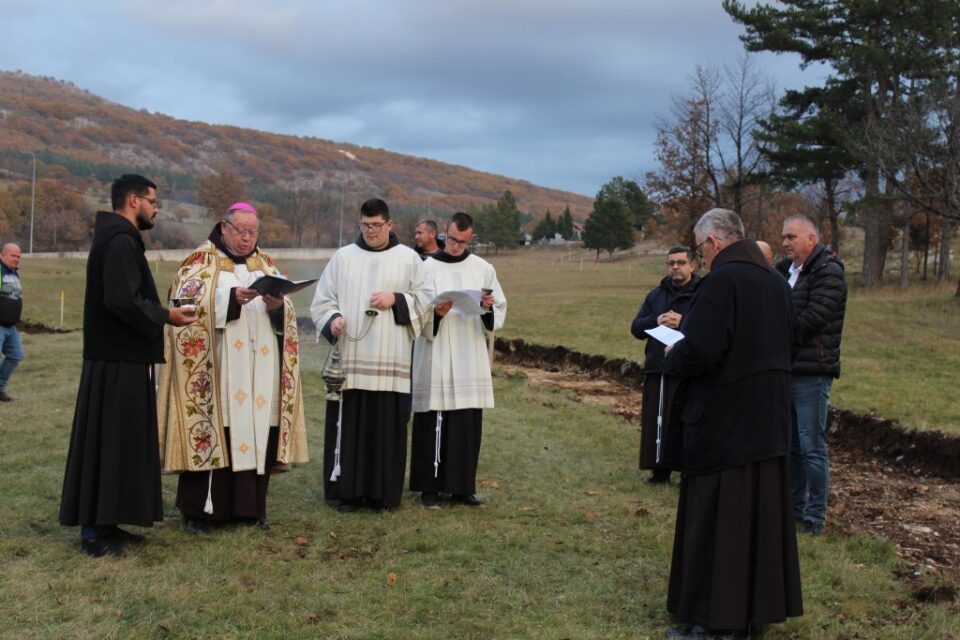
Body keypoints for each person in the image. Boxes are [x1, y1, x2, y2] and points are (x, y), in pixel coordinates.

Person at [662, 208, 802, 638]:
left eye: (701, 249)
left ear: (712, 243)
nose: (702, 259)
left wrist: (675, 354)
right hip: (769, 422)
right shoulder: (776, 283)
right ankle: (752, 616)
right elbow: (789, 342)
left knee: (720, 522)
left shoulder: (722, 281)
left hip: (725, 425)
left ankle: (713, 622)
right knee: (756, 521)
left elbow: (703, 349)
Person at [59, 174, 197, 557]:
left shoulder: (117, 238)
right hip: (116, 360)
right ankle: (94, 533)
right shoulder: (120, 241)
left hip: (119, 358)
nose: (156, 208)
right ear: (133, 200)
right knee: (109, 442)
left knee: (118, 443)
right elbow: (123, 301)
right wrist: (165, 315)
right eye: (153, 201)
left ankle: (108, 522)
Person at [157, 202, 308, 533]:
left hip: (259, 373)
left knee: (257, 435)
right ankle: (202, 513)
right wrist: (227, 302)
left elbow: (289, 319)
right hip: (218, 374)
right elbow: (183, 309)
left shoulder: (265, 265)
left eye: (253, 232)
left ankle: (251, 511)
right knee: (216, 432)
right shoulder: (199, 264)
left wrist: (279, 306)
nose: (247, 238)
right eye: (241, 231)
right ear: (223, 228)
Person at [311, 198, 434, 512]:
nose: (370, 231)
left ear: (389, 224)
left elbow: (426, 299)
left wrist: (396, 298)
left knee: (386, 430)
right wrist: (333, 319)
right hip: (351, 361)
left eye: (376, 225)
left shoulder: (408, 259)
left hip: (390, 361)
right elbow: (322, 301)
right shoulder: (343, 257)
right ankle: (349, 493)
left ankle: (383, 495)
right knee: (351, 428)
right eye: (365, 225)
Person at [410, 212, 506, 507]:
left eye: (462, 242)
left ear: (470, 238)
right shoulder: (426, 267)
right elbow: (416, 308)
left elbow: (497, 307)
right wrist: (434, 315)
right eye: (452, 239)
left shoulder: (482, 268)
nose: (455, 246)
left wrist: (486, 307)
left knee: (466, 421)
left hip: (468, 351)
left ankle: (463, 486)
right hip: (436, 350)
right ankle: (430, 487)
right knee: (433, 418)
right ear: (444, 234)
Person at [777, 214, 847, 535]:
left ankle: (815, 517)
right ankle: (793, 510)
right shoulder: (785, 272)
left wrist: (772, 334)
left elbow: (813, 317)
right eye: (783, 237)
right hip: (788, 368)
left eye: (791, 237)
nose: (785, 243)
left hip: (812, 371)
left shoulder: (828, 272)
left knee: (812, 446)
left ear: (811, 238)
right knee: (792, 445)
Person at [630, 246, 701, 484]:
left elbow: (709, 326)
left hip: (687, 368)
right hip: (657, 365)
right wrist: (656, 319)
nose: (675, 267)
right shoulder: (656, 296)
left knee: (683, 420)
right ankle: (659, 470)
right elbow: (636, 327)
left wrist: (685, 322)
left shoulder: (702, 294)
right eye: (671, 263)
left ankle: (687, 471)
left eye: (681, 262)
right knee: (656, 419)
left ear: (692, 265)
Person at [0, 242, 24, 402]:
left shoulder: (14, 273)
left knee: (16, 355)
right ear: (2, 255)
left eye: (18, 256)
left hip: (11, 326)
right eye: (12, 255)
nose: (16, 259)